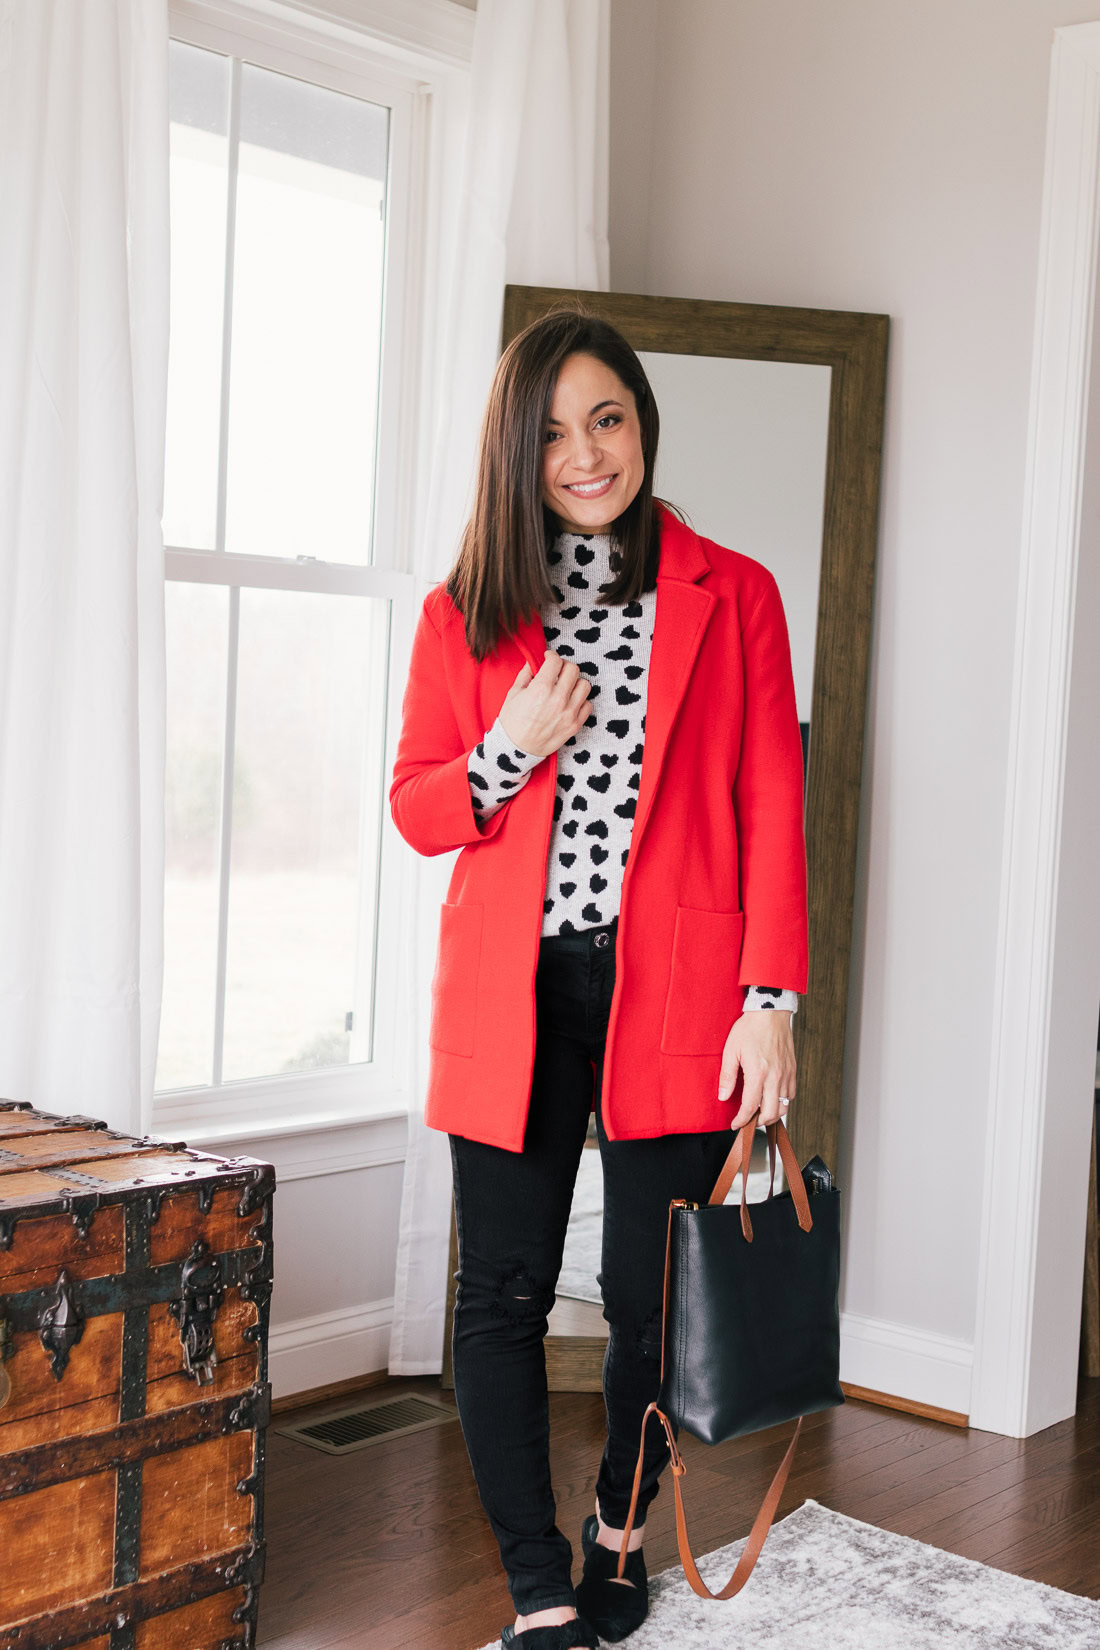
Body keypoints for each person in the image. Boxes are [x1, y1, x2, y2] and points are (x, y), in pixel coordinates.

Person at [389, 307, 808, 1649]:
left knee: (649, 1299)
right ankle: (540, 1582)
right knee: (502, 1298)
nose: (585, 453)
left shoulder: (733, 591)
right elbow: (418, 807)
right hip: (510, 998)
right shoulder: (465, 611)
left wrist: (772, 1002)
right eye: (555, 430)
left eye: (607, 418)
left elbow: (770, 803)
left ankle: (620, 1531)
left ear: (641, 421)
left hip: (678, 991)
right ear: (520, 451)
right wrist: (507, 747)